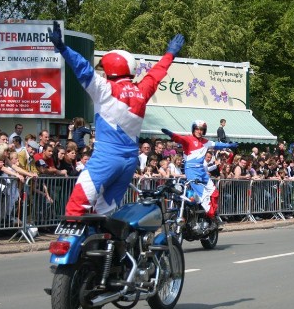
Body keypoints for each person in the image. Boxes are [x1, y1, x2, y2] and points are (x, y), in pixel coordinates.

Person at [48, 20, 184, 215]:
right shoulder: (141, 91)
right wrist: (170, 53)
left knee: (74, 210)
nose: (101, 73)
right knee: (103, 213)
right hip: (129, 163)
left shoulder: (104, 89)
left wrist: (62, 48)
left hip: (106, 159)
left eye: (103, 69)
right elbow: (156, 74)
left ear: (111, 69)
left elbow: (82, 67)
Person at [161, 120, 238, 221]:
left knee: (215, 192)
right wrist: (171, 134)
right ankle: (210, 217)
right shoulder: (188, 139)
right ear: (193, 129)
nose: (199, 131)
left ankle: (211, 216)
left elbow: (217, 144)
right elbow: (179, 138)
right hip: (191, 170)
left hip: (201, 171)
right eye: (197, 129)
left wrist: (229, 145)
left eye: (202, 129)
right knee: (204, 197)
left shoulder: (206, 142)